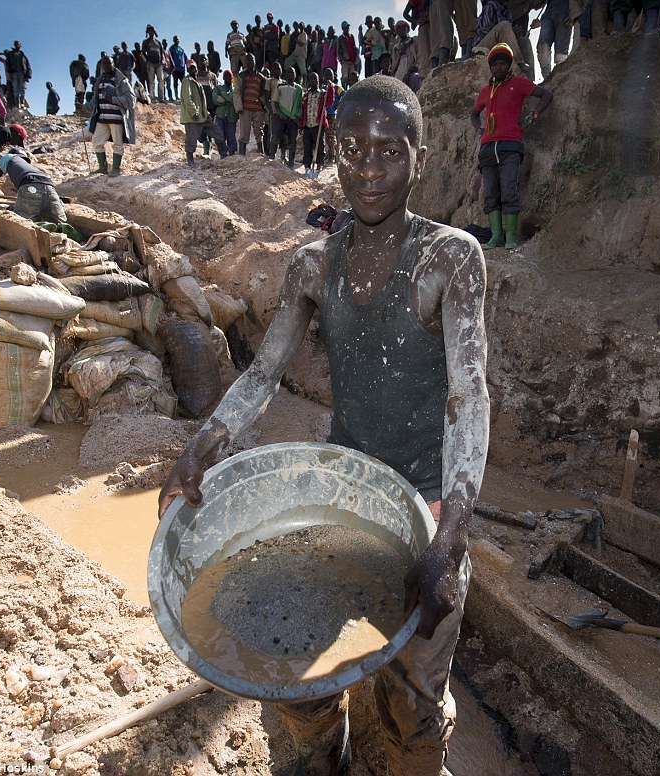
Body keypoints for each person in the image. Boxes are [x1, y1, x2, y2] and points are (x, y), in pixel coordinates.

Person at [158, 73, 489, 776]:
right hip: (343, 499)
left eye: (389, 151)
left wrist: (450, 537)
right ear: (333, 152)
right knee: (299, 688)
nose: (369, 169)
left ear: (419, 158)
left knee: (414, 703)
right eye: (352, 148)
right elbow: (261, 373)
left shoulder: (450, 257)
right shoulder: (313, 263)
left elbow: (469, 395)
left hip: (427, 502)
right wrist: (202, 446)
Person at [470, 43, 552, 249]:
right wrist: (480, 129)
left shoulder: (519, 83)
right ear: (490, 68)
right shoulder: (486, 91)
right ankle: (496, 237)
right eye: (495, 64)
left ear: (509, 66)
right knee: (490, 194)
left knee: (509, 190)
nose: (498, 67)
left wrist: (531, 117)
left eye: (502, 64)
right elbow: (474, 113)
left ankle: (511, 238)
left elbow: (546, 95)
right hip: (488, 148)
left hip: (510, 146)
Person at [0, 148, 66, 225]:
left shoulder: (8, 157)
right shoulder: (32, 169)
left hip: (29, 185)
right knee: (61, 223)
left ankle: (42, 226)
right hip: (50, 187)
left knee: (21, 223)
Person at [88, 56, 136, 177]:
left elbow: (131, 100)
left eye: (109, 63)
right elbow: (95, 101)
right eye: (104, 63)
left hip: (116, 118)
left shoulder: (121, 80)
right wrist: (82, 107)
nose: (107, 66)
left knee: (117, 144)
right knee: (96, 141)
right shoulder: (100, 80)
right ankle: (103, 168)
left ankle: (115, 169)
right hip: (102, 118)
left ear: (113, 64)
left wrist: (113, 99)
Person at [180, 61, 227, 167]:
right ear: (188, 70)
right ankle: (190, 160)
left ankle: (224, 155)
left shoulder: (197, 83)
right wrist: (194, 112)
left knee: (217, 133)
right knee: (191, 139)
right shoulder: (187, 81)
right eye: (191, 68)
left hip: (203, 116)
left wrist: (206, 112)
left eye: (194, 68)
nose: (193, 70)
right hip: (194, 117)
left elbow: (201, 101)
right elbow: (187, 99)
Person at [469, 0, 529, 76]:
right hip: (481, 45)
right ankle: (519, 63)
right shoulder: (491, 5)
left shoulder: (507, 12)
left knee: (524, 41)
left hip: (499, 43)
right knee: (504, 25)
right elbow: (485, 29)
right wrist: (503, 28)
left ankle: (529, 74)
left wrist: (514, 32)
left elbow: (505, 33)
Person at [299, 71, 333, 178]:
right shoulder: (306, 95)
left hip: (318, 125)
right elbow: (303, 111)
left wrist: (330, 88)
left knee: (319, 147)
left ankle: (318, 167)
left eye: (315, 79)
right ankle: (307, 167)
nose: (313, 81)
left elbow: (329, 102)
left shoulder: (323, 94)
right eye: (311, 79)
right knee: (307, 147)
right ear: (309, 81)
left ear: (318, 81)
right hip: (307, 125)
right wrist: (301, 125)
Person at [232, 54, 267, 156]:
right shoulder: (241, 76)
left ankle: (261, 153)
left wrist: (263, 105)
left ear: (255, 61)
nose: (250, 62)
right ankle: (242, 155)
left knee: (259, 131)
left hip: (258, 109)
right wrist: (239, 107)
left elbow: (264, 93)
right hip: (245, 108)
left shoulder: (261, 77)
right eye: (248, 61)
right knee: (244, 133)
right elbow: (237, 92)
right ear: (245, 63)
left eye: (252, 60)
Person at [269, 66, 302, 169]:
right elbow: (275, 102)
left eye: (292, 73)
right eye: (288, 73)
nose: (290, 75)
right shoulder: (279, 86)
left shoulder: (298, 89)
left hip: (293, 119)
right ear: (285, 74)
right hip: (281, 117)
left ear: (295, 75)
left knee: (292, 141)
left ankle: (291, 163)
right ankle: (271, 158)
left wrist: (297, 116)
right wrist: (280, 113)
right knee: (276, 137)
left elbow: (300, 105)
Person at [536, 0, 571, 78]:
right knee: (542, 47)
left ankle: (560, 77)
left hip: (565, 9)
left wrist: (573, 12)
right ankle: (547, 78)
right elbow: (536, 5)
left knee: (561, 52)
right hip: (549, 12)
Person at [0, 41, 31, 110]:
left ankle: (21, 103)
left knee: (21, 88)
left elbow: (27, 64)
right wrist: (4, 53)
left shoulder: (22, 56)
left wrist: (28, 75)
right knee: (14, 90)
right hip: (12, 76)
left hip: (19, 74)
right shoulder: (8, 59)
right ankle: (15, 105)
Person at [403, 0, 432, 77]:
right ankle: (423, 76)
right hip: (424, 26)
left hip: (435, 23)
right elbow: (405, 14)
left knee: (436, 48)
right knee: (424, 52)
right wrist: (415, 21)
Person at [213, 70, 238, 156]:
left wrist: (223, 96)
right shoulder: (218, 88)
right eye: (225, 76)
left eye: (229, 76)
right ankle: (223, 153)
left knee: (231, 135)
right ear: (223, 78)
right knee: (219, 136)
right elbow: (215, 99)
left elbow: (234, 99)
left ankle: (232, 153)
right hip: (220, 115)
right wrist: (228, 98)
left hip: (231, 115)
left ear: (232, 78)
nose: (227, 78)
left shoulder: (235, 90)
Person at [142, 25, 166, 102]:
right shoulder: (145, 42)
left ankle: (161, 98)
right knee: (151, 81)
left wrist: (162, 61)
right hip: (151, 63)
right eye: (149, 30)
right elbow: (142, 54)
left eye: (152, 30)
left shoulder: (158, 42)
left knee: (161, 80)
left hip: (159, 63)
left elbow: (162, 52)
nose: (150, 32)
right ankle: (152, 97)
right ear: (147, 32)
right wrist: (147, 62)